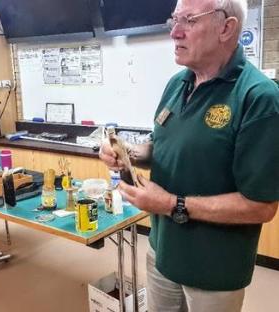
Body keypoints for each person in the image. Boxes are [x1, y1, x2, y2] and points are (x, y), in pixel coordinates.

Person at [99, 0, 279, 311]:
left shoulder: (259, 97)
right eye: (174, 20)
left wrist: (171, 204)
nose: (175, 33)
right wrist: (128, 152)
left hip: (214, 270)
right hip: (162, 251)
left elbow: (261, 206)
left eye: (189, 21)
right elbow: (164, 146)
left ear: (226, 28)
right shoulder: (177, 83)